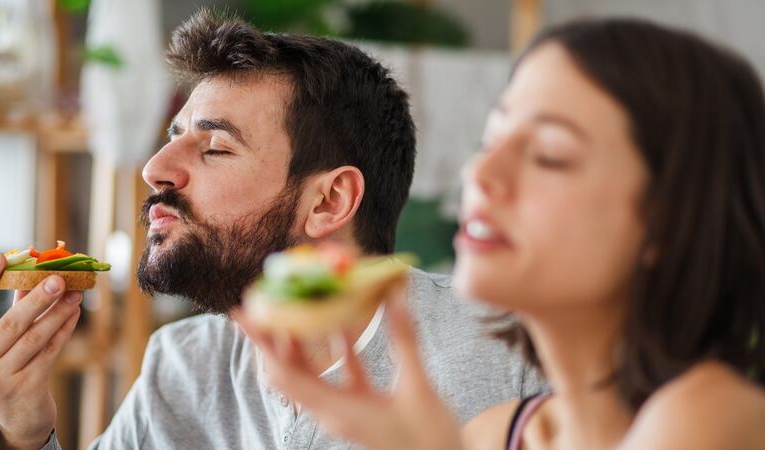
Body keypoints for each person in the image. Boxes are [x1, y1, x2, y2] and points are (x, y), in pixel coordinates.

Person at [0, 10, 543, 450]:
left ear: (330, 200)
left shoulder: (512, 351)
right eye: (173, 135)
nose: (154, 169)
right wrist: (22, 432)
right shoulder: (182, 365)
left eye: (214, 147)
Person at [242, 18, 765, 450]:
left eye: (550, 155)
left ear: (668, 221)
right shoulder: (497, 434)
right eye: (491, 139)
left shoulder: (709, 416)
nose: (481, 173)